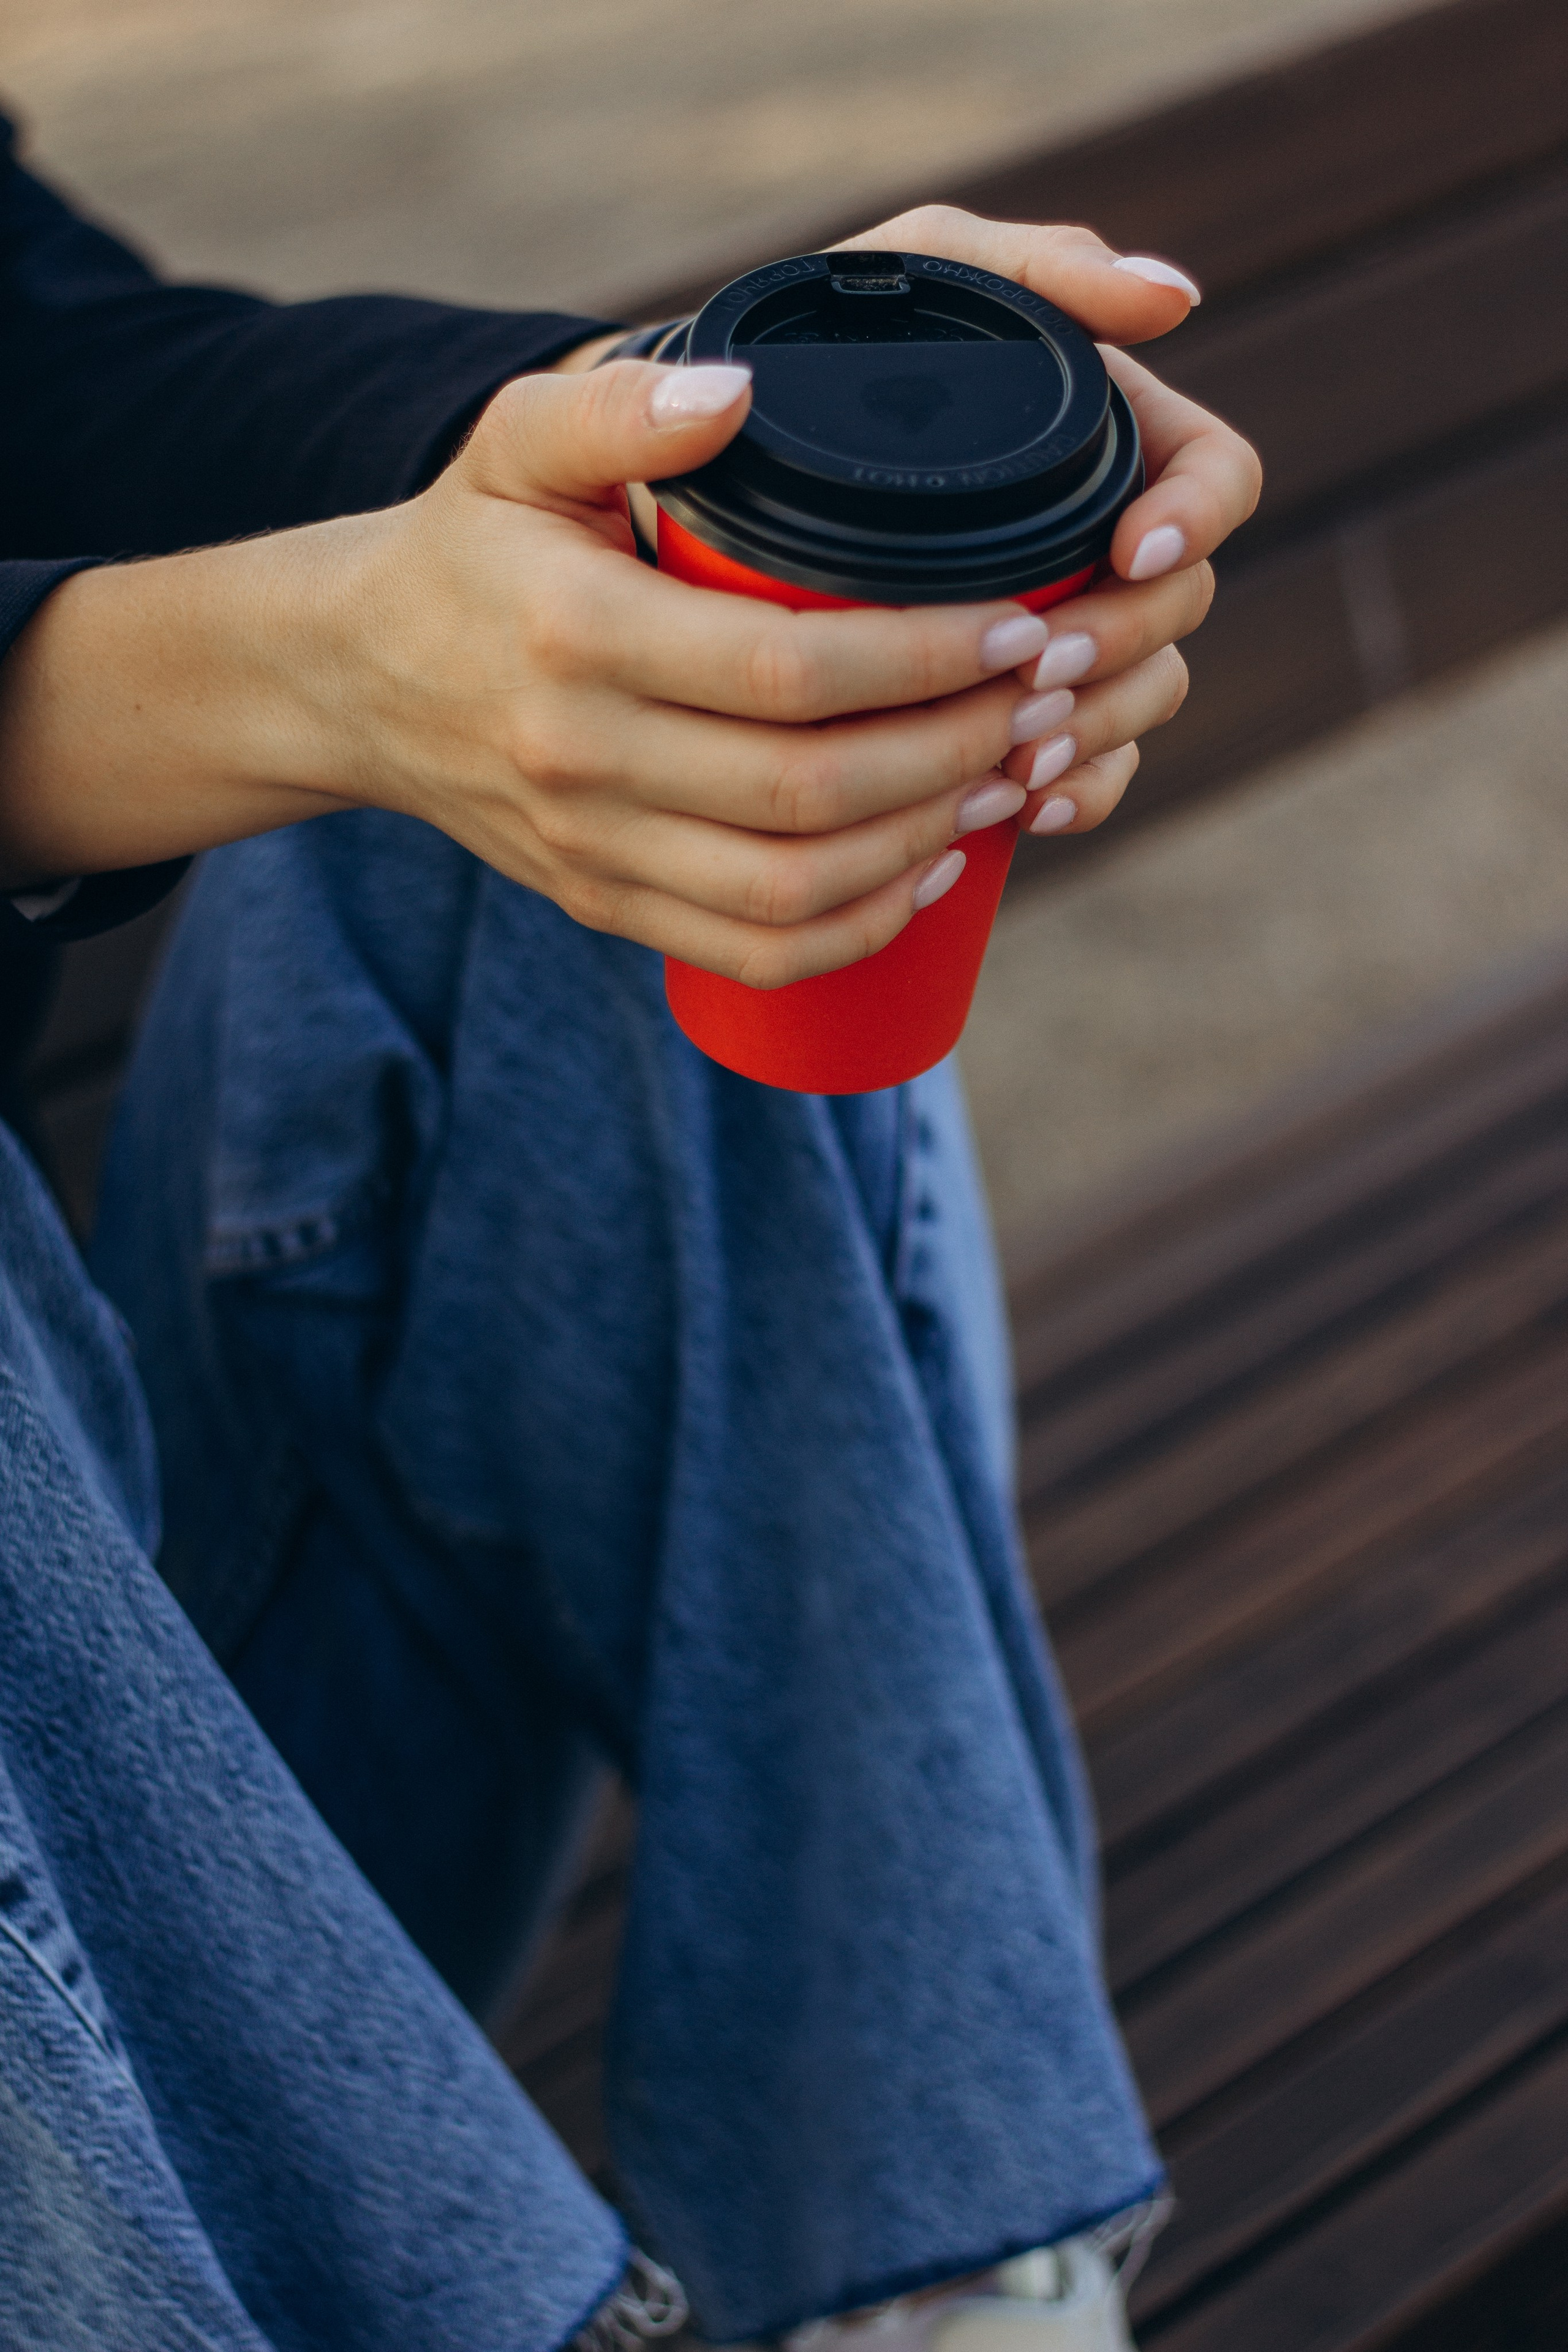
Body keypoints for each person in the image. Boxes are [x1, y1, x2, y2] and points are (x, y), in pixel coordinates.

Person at [0, 92, 1260, 2352]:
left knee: (627, 703)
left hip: (166, 1842)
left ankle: (935, 2284)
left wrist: (673, 439)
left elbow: (48, 353)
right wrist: (289, 669)